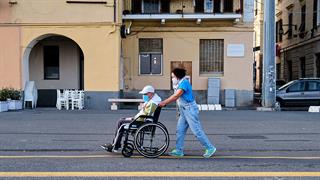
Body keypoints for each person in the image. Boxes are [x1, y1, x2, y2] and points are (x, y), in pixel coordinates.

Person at [159, 68, 216, 158]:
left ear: (177, 77)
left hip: (190, 110)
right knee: (180, 130)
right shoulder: (179, 83)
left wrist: (164, 102)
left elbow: (176, 96)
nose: (172, 78)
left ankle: (210, 148)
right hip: (184, 110)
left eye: (173, 77)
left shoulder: (184, 83)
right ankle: (178, 150)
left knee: (196, 131)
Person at [101, 85, 161, 152]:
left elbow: (145, 115)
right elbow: (145, 114)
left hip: (141, 122)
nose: (144, 95)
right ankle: (116, 144)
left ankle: (115, 145)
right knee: (122, 119)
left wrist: (133, 119)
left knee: (120, 122)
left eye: (145, 94)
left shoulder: (152, 103)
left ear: (150, 93)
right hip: (142, 120)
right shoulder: (153, 101)